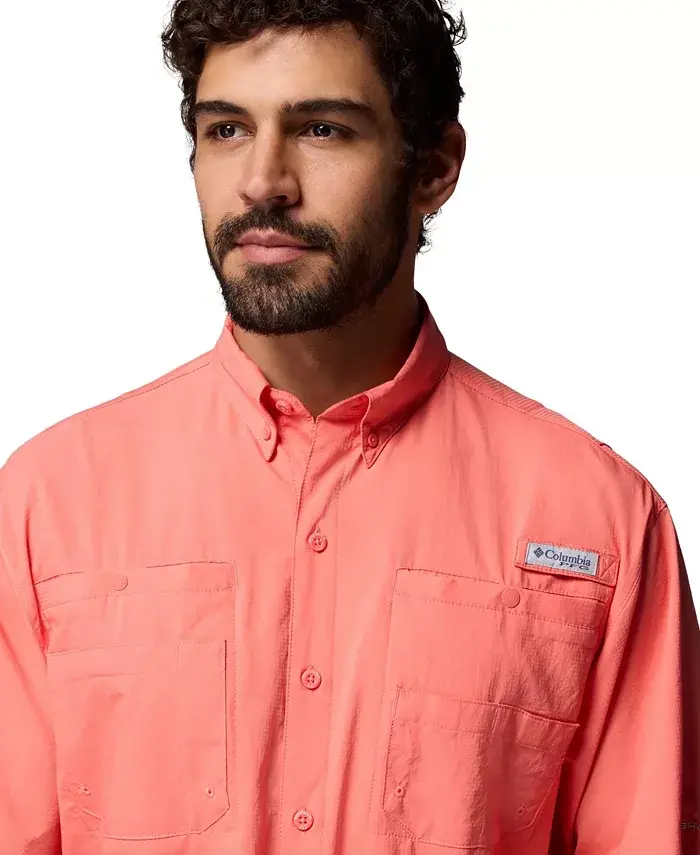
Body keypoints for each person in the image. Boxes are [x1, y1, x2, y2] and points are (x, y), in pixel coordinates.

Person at [1, 1, 698, 852]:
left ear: (434, 169)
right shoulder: (46, 506)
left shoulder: (601, 520)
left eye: (322, 129)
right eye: (227, 130)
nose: (263, 181)